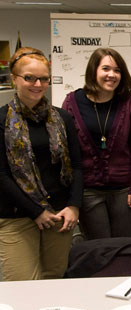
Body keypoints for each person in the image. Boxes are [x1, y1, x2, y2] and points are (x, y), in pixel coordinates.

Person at [0, 47, 83, 280]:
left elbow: (76, 165)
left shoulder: (62, 118)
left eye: (43, 78)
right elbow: (1, 175)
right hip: (16, 216)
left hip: (59, 214)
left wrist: (74, 206)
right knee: (21, 284)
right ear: (14, 79)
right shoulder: (1, 119)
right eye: (29, 78)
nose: (37, 84)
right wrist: (36, 212)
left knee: (53, 280)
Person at [62, 48, 131, 239]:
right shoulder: (73, 101)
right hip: (88, 190)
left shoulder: (129, 102)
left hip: (124, 191)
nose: (112, 75)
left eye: (117, 70)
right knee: (99, 247)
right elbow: (67, 150)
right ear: (94, 70)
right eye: (105, 68)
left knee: (124, 244)